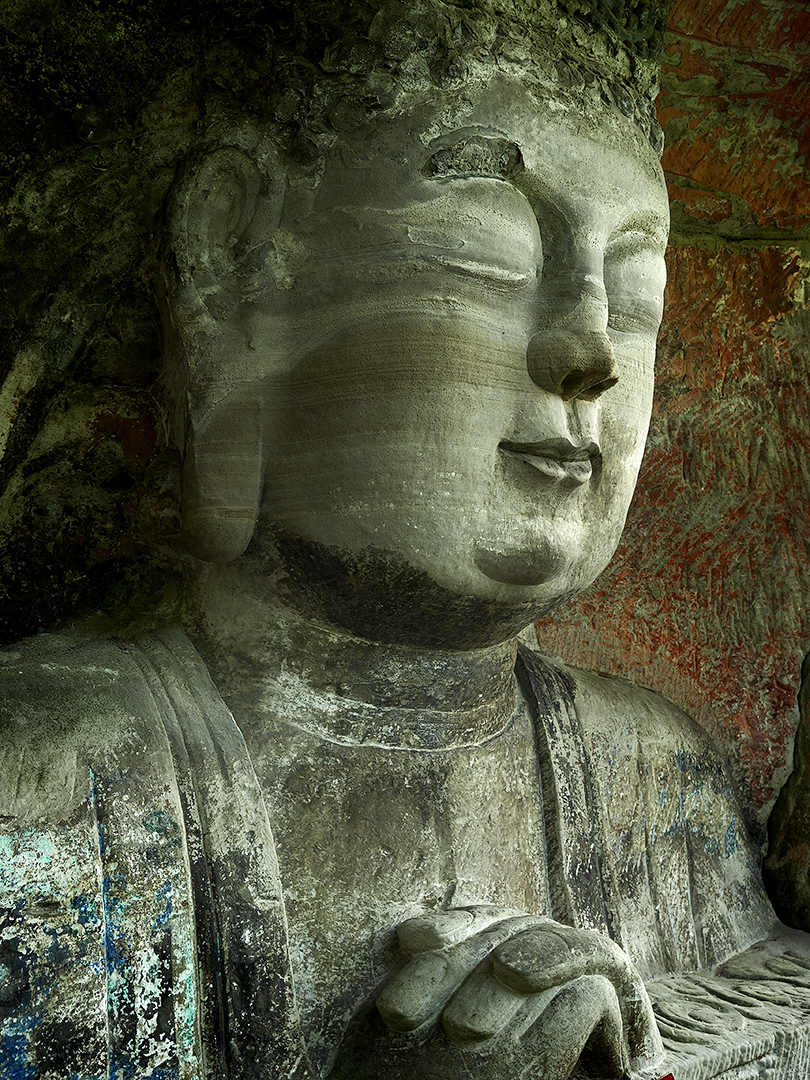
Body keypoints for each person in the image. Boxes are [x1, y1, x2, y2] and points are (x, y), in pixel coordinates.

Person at [2, 2, 810, 1078]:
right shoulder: (52, 781)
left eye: (633, 298)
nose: (587, 355)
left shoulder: (663, 780)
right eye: (478, 262)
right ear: (232, 272)